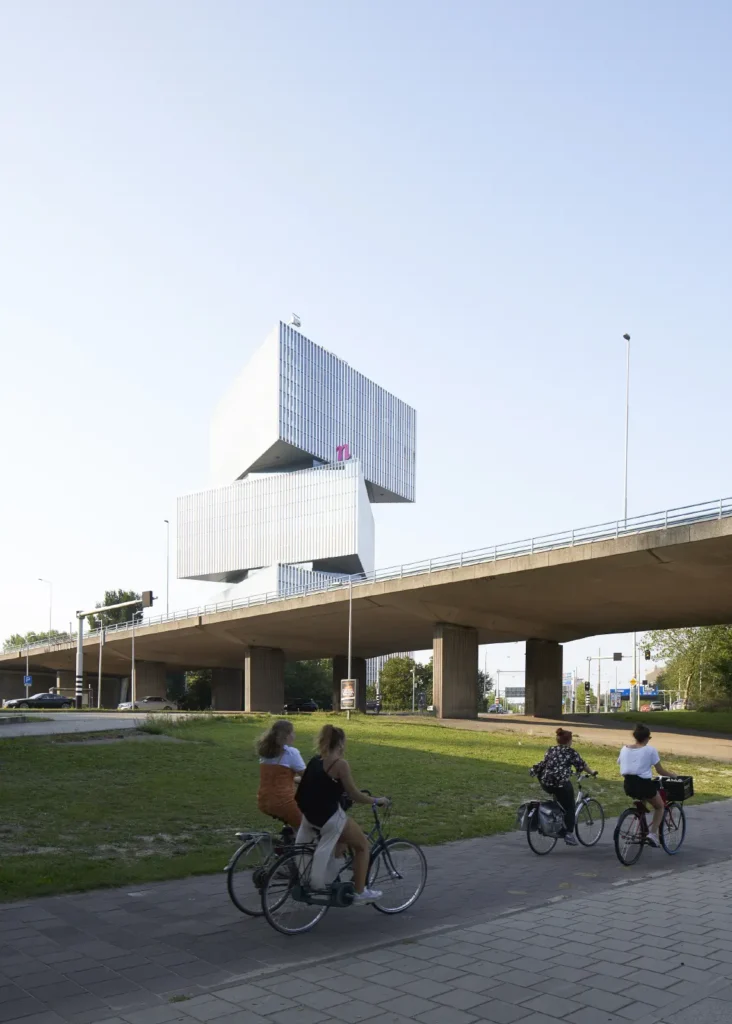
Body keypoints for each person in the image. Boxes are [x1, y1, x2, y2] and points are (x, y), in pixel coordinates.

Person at [296, 724, 389, 904]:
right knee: (362, 846)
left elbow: (311, 783)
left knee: (345, 839)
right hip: (330, 817)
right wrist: (376, 800)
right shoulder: (340, 765)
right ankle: (360, 892)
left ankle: (336, 870)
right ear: (340, 743)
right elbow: (354, 794)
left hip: (310, 816)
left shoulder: (315, 760)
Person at [530, 728, 597, 846]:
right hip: (560, 784)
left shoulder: (551, 749)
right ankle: (568, 834)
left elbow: (546, 763)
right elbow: (582, 764)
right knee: (570, 807)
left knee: (560, 803)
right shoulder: (570, 752)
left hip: (546, 782)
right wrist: (592, 772)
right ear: (569, 741)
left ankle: (554, 823)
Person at [618, 723, 680, 848]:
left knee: (642, 802)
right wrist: (673, 775)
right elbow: (660, 771)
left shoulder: (624, 748)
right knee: (660, 807)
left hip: (628, 784)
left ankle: (641, 828)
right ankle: (652, 835)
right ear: (647, 738)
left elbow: (620, 762)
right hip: (644, 784)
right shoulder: (650, 750)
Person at [256, 719, 305, 830]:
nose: (294, 735)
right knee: (307, 827)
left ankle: (290, 841)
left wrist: (294, 779)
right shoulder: (291, 753)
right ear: (286, 736)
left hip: (263, 801)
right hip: (283, 803)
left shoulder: (265, 753)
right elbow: (308, 777)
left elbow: (277, 777)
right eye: (293, 732)